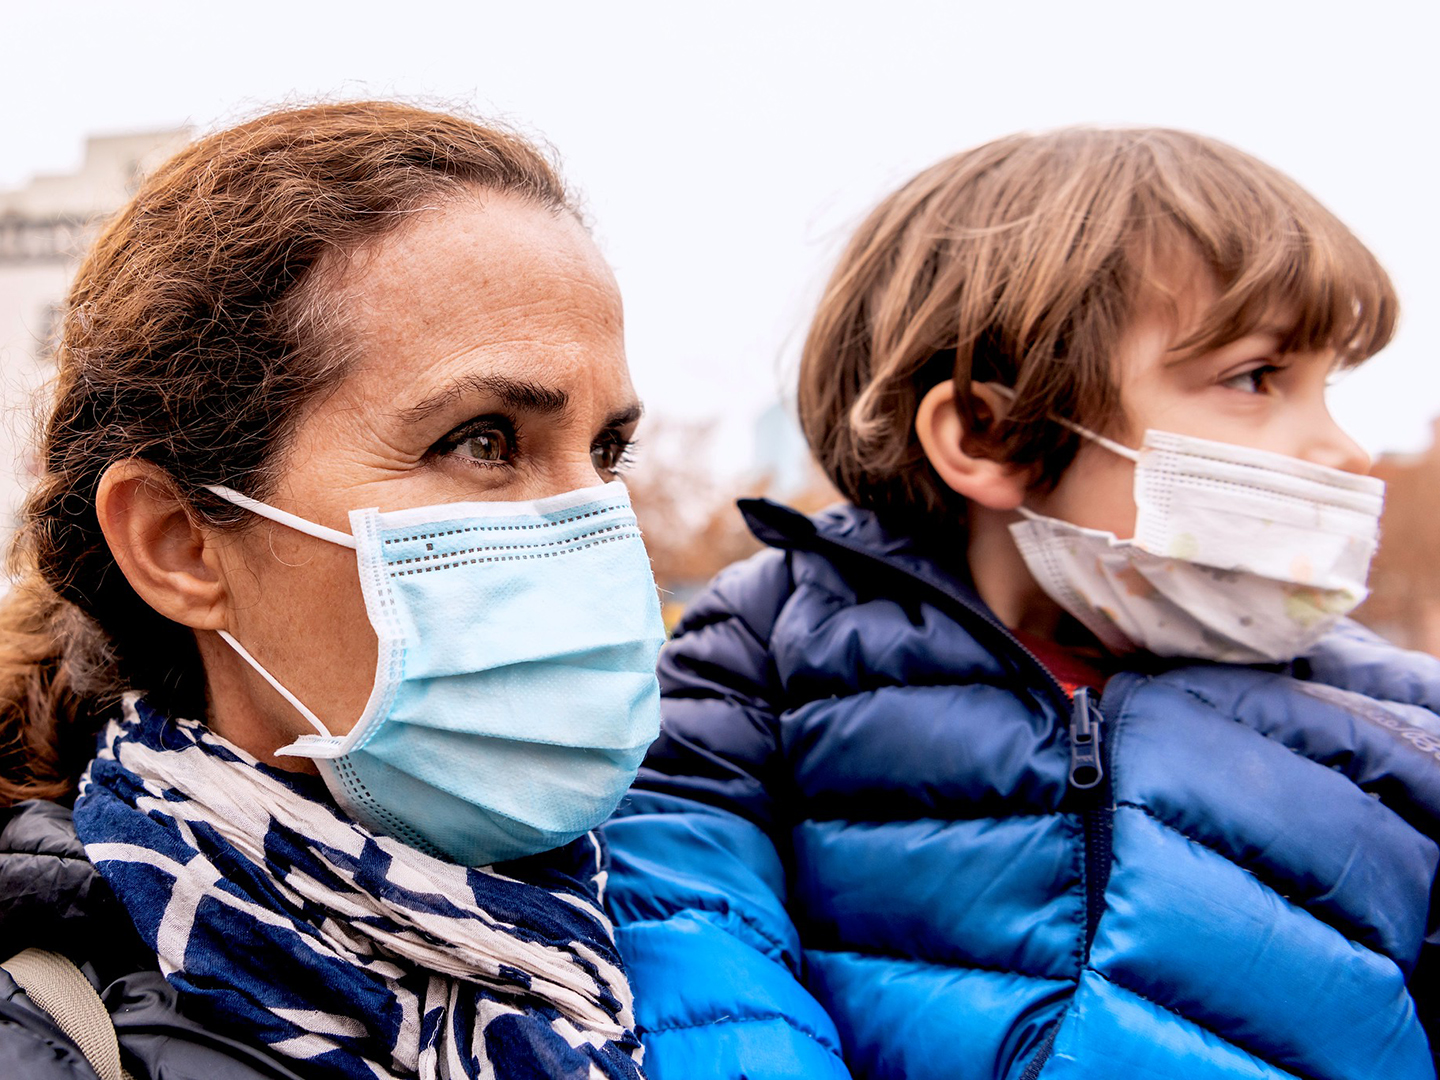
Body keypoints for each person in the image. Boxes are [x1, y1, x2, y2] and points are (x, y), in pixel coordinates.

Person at [602, 127, 1440, 1079]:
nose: (1347, 449)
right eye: (1256, 378)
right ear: (987, 433)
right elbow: (690, 939)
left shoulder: (1403, 728)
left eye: (1328, 386)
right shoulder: (766, 652)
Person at [0, 101, 667, 1080]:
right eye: (483, 440)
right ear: (179, 545)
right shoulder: (51, 1034)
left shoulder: (687, 916)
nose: (598, 530)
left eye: (606, 451)